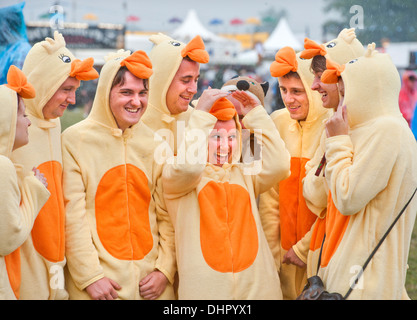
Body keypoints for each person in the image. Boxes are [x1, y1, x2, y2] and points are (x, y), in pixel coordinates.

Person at [62, 49, 176, 300]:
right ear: (105, 93)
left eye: (142, 93)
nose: (136, 102)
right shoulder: (74, 140)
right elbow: (73, 217)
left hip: (153, 289)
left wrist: (164, 271)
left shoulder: (157, 144)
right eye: (126, 92)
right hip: (97, 289)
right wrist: (90, 277)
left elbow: (168, 216)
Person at [162, 88, 290, 299]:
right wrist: (201, 112)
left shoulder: (245, 173)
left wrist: (256, 113)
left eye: (232, 136)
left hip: (261, 291)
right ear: (200, 135)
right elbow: (189, 167)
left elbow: (280, 165)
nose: (225, 145)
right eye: (215, 136)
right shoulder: (178, 179)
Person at [316, 43, 417, 299]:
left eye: (345, 90)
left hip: (365, 281)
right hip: (359, 272)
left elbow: (348, 197)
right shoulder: (374, 129)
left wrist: (337, 143)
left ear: (367, 91)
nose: (343, 99)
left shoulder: (388, 131)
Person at [11, 31, 99, 300]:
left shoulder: (54, 123)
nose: (72, 100)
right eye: (66, 90)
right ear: (44, 84)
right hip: (22, 278)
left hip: (55, 273)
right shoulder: (12, 129)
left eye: (75, 90)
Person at [257, 46, 332, 300]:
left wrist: (303, 250)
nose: (289, 99)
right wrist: (270, 256)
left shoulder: (334, 125)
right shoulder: (276, 121)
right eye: (284, 90)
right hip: (284, 261)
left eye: (297, 91)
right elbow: (270, 200)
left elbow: (333, 206)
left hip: (322, 261)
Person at [299, 29, 364, 280]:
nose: (314, 86)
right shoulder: (335, 121)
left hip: (352, 265)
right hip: (326, 251)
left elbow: (329, 196)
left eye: (319, 76)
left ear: (343, 77)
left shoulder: (365, 129)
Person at [0, 65, 50, 299]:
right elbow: (8, 238)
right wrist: (35, 191)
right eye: (22, 115)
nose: (28, 122)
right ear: (7, 119)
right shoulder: (3, 165)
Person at [141, 33, 209, 156]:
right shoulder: (132, 122)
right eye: (186, 80)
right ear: (161, 79)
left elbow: (250, 165)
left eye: (196, 80)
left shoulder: (197, 119)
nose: (194, 89)